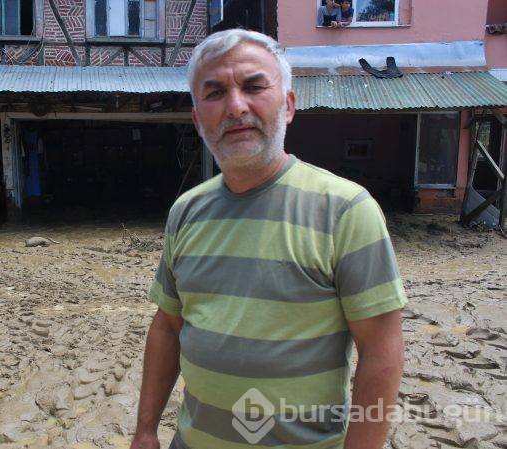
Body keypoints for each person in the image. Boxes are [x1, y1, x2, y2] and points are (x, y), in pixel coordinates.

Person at [130, 29, 406, 449]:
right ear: (197, 119)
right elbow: (168, 326)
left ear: (289, 105)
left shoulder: (347, 210)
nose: (236, 106)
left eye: (255, 86)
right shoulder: (185, 212)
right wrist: (146, 430)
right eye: (215, 92)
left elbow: (381, 350)